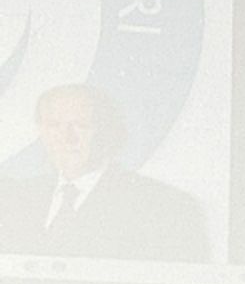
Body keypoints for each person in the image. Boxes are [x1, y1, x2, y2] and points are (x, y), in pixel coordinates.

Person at [0, 83, 209, 260]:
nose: (66, 137)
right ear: (40, 131)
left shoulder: (161, 206)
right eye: (54, 125)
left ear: (105, 130)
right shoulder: (15, 199)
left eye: (81, 125)